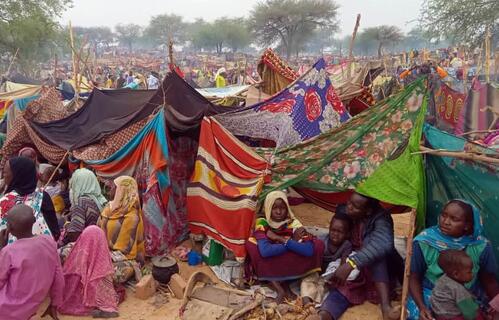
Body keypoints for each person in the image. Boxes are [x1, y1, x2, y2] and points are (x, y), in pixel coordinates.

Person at [407, 200, 499, 320]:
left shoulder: (480, 245)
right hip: (430, 294)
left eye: (454, 219)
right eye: (443, 215)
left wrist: (497, 307)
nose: (445, 222)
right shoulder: (424, 241)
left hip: (470, 294)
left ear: (467, 225)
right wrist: (422, 307)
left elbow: (489, 280)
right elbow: (413, 277)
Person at [319, 192, 402, 320]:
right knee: (343, 287)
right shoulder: (344, 211)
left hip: (379, 269)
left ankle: (386, 308)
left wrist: (351, 264)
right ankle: (325, 314)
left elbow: (382, 244)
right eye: (349, 202)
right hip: (355, 265)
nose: (349, 207)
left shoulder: (381, 217)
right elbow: (337, 234)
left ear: (368, 211)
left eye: (355, 206)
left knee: (373, 249)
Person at [245, 190, 324, 303]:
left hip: (283, 256)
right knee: (253, 247)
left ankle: (285, 285)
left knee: (317, 245)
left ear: (287, 208)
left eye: (282, 208)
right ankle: (280, 290)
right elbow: (265, 251)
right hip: (270, 258)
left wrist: (281, 239)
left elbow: (309, 250)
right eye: (274, 208)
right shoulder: (262, 222)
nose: (278, 212)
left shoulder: (292, 223)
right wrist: (291, 242)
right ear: (268, 208)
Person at [0, 204, 64, 320]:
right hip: (33, 306)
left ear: (9, 228)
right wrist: (55, 304)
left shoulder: (8, 252)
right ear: (34, 220)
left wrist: (1, 247)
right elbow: (59, 277)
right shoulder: (49, 242)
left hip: (6, 310)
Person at [58, 226, 119, 318]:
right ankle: (105, 306)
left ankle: (102, 306)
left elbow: (74, 270)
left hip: (84, 289)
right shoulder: (103, 258)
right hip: (100, 288)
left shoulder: (81, 251)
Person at [301, 206, 358, 305]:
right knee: (307, 282)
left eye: (340, 232)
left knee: (323, 286)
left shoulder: (346, 245)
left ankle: (315, 302)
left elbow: (343, 262)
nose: (335, 234)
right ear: (329, 228)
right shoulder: (322, 240)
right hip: (316, 269)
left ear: (347, 234)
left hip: (329, 274)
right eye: (333, 230)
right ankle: (306, 302)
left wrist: (336, 277)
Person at [0, 157, 60, 241]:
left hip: (12, 253)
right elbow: (55, 231)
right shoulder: (43, 196)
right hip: (42, 249)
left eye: (5, 172)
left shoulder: (4, 201)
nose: (3, 176)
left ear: (16, 175)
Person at [98, 176, 145, 282]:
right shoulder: (109, 208)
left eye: (115, 187)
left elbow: (124, 250)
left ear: (123, 191)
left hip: (124, 258)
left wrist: (102, 256)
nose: (111, 190)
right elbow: (98, 230)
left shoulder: (132, 217)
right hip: (105, 252)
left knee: (114, 273)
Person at [430, 250, 484, 320]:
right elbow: (471, 314)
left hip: (438, 314)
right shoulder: (458, 289)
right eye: (469, 272)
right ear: (456, 274)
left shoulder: (442, 279)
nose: (472, 274)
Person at [60, 168, 107, 246]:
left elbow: (74, 235)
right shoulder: (101, 200)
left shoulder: (81, 202)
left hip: (87, 246)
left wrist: (66, 223)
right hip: (99, 245)